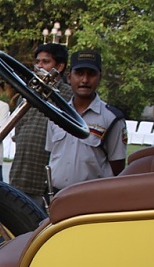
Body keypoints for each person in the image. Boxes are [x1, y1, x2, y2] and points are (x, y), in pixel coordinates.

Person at [46, 50, 127, 191]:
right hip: (57, 194)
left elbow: (118, 166)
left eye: (91, 74)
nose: (84, 80)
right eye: (79, 73)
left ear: (99, 78)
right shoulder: (56, 113)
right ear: (69, 77)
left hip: (92, 197)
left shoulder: (111, 118)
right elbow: (51, 154)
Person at [9, 43, 72, 207]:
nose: (39, 66)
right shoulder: (27, 93)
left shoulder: (67, 96)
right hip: (21, 173)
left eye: (45, 62)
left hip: (47, 181)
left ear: (59, 66)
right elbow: (18, 127)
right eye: (37, 62)